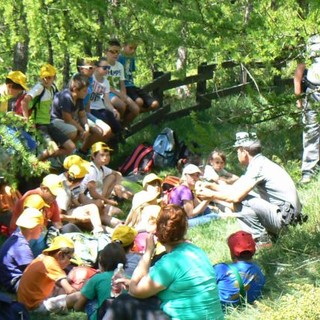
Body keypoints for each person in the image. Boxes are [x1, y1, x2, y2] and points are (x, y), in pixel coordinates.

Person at [107, 205, 224, 320]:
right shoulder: (197, 251)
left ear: (157, 233)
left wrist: (148, 253)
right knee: (110, 303)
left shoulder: (169, 263)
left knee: (122, 302)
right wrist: (130, 282)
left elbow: (134, 291)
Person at [209, 132, 303, 243]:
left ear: (244, 151)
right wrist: (211, 186)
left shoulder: (257, 167)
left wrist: (210, 195)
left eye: (238, 150)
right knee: (247, 196)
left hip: (284, 220)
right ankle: (270, 236)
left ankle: (262, 241)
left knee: (240, 201)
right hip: (289, 218)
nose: (237, 153)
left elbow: (235, 196)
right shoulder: (261, 162)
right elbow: (236, 188)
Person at [9, 173, 80, 255]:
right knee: (41, 236)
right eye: (53, 194)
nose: (55, 197)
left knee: (68, 229)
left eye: (56, 195)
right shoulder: (32, 197)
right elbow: (29, 227)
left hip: (40, 231)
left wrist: (61, 237)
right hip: (25, 233)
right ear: (44, 188)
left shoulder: (52, 202)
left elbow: (58, 224)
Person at [21, 63, 75, 161]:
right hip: (38, 125)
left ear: (54, 77)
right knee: (53, 149)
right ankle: (34, 165)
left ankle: (41, 160)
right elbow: (24, 101)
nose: (46, 80)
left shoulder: (53, 88)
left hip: (48, 123)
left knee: (71, 147)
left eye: (49, 77)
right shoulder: (39, 88)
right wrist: (26, 120)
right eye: (44, 77)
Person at [17, 235, 80, 314]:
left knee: (61, 288)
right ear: (60, 255)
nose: (70, 262)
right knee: (78, 296)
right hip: (34, 307)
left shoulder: (44, 258)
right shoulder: (51, 263)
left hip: (25, 303)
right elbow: (70, 291)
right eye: (69, 258)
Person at [50, 73, 103, 156]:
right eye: (84, 90)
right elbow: (67, 119)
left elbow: (82, 115)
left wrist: (86, 128)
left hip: (69, 121)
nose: (87, 92)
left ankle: (70, 154)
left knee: (82, 131)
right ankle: (58, 153)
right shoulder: (66, 97)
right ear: (75, 89)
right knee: (73, 131)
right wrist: (82, 130)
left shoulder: (79, 98)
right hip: (56, 121)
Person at [57, 155, 109, 236]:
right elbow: (58, 216)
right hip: (63, 219)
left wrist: (82, 208)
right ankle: (100, 232)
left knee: (92, 212)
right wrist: (78, 218)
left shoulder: (66, 180)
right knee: (92, 209)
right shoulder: (64, 193)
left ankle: (103, 229)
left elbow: (75, 200)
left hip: (68, 211)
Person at [73, 242, 127, 320]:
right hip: (125, 315)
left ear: (101, 261)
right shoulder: (129, 279)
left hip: (103, 316)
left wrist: (85, 287)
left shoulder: (97, 278)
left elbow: (77, 307)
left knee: (91, 300)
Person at [214, 230, 265, 308]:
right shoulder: (259, 273)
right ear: (253, 251)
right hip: (244, 309)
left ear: (232, 252)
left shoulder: (221, 269)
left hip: (219, 310)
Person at [294, 34, 320, 184]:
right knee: (311, 131)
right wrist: (298, 98)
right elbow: (298, 74)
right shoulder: (310, 43)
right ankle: (308, 172)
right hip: (312, 93)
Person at [79, 142, 123, 227]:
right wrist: (108, 201)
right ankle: (102, 216)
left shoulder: (101, 167)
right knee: (102, 205)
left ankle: (104, 208)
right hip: (87, 199)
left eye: (107, 155)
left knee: (112, 177)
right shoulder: (92, 170)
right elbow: (92, 193)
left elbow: (118, 174)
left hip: (98, 198)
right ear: (93, 156)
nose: (106, 158)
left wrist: (118, 185)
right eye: (102, 155)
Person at [0, 208, 44, 293]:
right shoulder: (22, 247)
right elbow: (33, 273)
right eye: (40, 227)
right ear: (31, 228)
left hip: (7, 280)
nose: (42, 230)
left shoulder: (16, 237)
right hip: (13, 284)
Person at [77, 57, 114, 143]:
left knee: (107, 130)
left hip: (85, 113)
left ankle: (85, 150)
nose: (92, 69)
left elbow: (88, 99)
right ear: (81, 69)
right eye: (90, 68)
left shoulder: (90, 79)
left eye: (93, 67)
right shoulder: (77, 81)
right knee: (99, 132)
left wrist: (88, 113)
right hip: (76, 113)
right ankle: (84, 150)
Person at [105, 39, 140, 127]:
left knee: (136, 109)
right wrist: (120, 95)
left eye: (117, 52)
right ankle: (116, 126)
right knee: (121, 105)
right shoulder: (104, 66)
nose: (115, 54)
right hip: (108, 92)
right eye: (112, 51)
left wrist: (123, 94)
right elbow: (106, 85)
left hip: (118, 91)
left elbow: (122, 83)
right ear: (106, 52)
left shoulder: (119, 66)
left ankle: (123, 127)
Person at [118, 41, 159, 112]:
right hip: (125, 87)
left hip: (132, 86)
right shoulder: (118, 58)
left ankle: (135, 111)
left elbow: (130, 72)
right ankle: (130, 115)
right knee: (139, 102)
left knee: (155, 104)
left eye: (135, 48)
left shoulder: (131, 59)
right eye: (130, 48)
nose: (133, 50)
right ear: (124, 46)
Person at [88, 57, 122, 143]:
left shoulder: (106, 82)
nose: (107, 70)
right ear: (96, 67)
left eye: (108, 68)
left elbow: (107, 101)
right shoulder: (90, 79)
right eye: (105, 68)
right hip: (91, 109)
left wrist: (113, 110)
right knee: (105, 125)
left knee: (117, 126)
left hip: (101, 108)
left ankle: (112, 146)